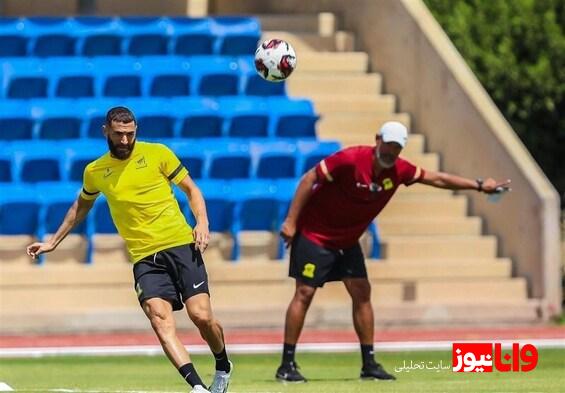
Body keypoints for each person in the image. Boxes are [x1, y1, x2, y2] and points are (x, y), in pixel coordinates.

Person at [275, 121, 511, 382]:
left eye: (396, 147)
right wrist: (291, 221)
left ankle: (369, 364)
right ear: (377, 139)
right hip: (315, 235)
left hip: (347, 241)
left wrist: (478, 185)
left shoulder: (399, 170)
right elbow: (310, 178)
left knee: (362, 292)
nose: (390, 151)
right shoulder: (351, 159)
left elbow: (437, 178)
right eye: (388, 144)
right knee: (305, 293)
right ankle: (286, 365)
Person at [26, 107, 232, 393]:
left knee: (201, 317)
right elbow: (80, 207)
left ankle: (222, 364)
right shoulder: (96, 171)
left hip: (180, 244)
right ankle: (197, 387)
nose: (125, 141)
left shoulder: (158, 153)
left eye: (130, 134)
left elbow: (191, 189)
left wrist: (202, 222)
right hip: (145, 257)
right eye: (119, 134)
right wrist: (53, 241)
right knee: (159, 320)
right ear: (105, 131)